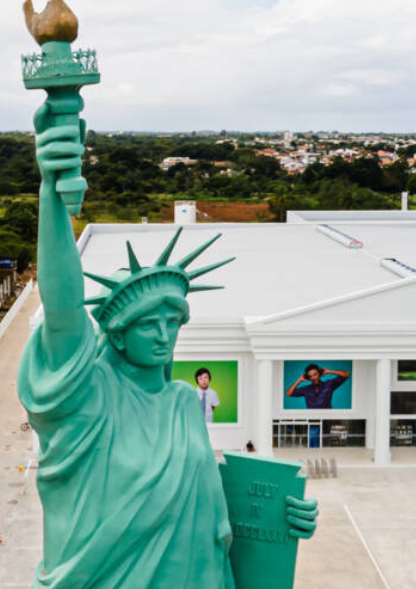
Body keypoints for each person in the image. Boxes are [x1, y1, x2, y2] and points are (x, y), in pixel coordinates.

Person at [18, 102, 316, 589]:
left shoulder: (181, 402)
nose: (163, 335)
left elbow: (207, 508)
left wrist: (285, 516)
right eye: (148, 325)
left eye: (172, 323)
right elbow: (63, 305)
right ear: (117, 333)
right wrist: (51, 193)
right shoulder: (88, 398)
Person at [286, 364, 350, 409]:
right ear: (308, 377)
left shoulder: (329, 384)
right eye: (311, 376)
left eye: (315, 374)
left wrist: (329, 371)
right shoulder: (305, 389)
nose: (313, 377)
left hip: (328, 417)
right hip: (313, 419)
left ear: (320, 373)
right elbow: (288, 393)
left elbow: (347, 374)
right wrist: (299, 380)